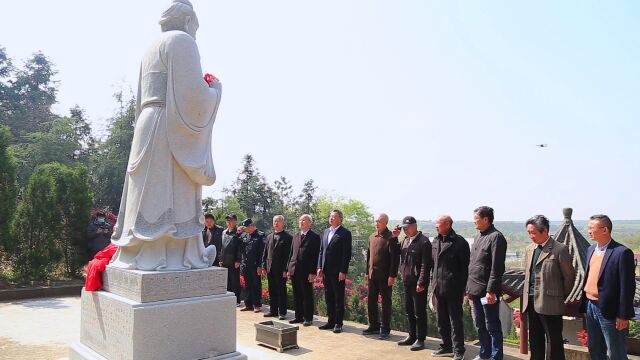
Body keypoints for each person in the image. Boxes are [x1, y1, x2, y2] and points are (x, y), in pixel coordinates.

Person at [109, 0, 222, 270]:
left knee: (148, 192)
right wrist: (215, 92)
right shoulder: (182, 41)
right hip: (168, 124)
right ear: (187, 21)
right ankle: (175, 257)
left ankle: (140, 252)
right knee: (171, 192)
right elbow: (192, 95)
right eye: (195, 25)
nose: (195, 31)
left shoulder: (151, 47)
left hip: (146, 123)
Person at [580, 214, 635, 360]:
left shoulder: (622, 252)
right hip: (591, 306)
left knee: (615, 352)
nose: (589, 231)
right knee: (595, 348)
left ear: (605, 230)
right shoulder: (591, 249)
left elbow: (627, 287)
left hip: (610, 310)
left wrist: (623, 315)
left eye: (592, 228)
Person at [522, 215, 576, 360]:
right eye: (528, 232)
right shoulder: (529, 249)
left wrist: (558, 295)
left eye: (533, 232)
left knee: (553, 340)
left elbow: (569, 277)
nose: (530, 236)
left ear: (544, 231)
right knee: (535, 338)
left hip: (551, 302)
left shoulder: (559, 249)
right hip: (531, 300)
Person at [467, 206, 507, 360]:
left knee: (492, 325)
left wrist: (491, 290)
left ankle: (496, 356)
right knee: (480, 324)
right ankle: (484, 352)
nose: (474, 222)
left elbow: (497, 268)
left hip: (487, 291)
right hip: (474, 289)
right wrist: (468, 288)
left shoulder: (496, 237)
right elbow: (472, 265)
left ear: (486, 219)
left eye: (476, 219)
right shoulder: (478, 237)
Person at [431, 215, 470, 360]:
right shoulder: (435, 241)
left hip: (453, 288)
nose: (436, 226)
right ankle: (446, 346)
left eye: (438, 224)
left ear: (447, 224)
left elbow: (466, 268)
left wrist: (464, 287)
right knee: (441, 320)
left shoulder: (459, 242)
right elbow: (433, 264)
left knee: (455, 321)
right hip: (438, 288)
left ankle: (458, 350)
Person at [397, 216, 432, 351]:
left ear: (414, 226)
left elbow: (425, 264)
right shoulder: (405, 240)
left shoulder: (424, 242)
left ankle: (420, 338)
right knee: (409, 311)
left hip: (418, 283)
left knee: (419, 312)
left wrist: (422, 281)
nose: (405, 230)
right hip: (407, 280)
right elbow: (394, 251)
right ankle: (411, 336)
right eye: (404, 228)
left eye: (407, 227)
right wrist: (394, 237)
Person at [362, 213, 400, 339]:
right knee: (371, 302)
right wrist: (367, 272)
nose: (376, 223)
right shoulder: (372, 236)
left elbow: (395, 258)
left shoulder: (391, 237)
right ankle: (374, 325)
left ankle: (385, 328)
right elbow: (368, 256)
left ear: (386, 223)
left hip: (385, 277)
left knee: (386, 303)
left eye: (379, 221)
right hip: (372, 276)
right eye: (376, 221)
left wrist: (392, 275)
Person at [317, 209, 353, 333]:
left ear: (340, 219)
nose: (331, 218)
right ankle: (330, 321)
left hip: (338, 272)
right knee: (329, 297)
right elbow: (321, 251)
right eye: (330, 217)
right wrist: (319, 267)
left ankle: (338, 323)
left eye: (334, 217)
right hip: (326, 271)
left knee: (338, 298)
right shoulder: (325, 232)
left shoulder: (345, 233)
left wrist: (343, 271)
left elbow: (346, 254)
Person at [287, 214, 321, 326]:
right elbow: (291, 253)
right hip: (294, 269)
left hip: (306, 271)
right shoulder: (296, 236)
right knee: (297, 294)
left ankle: (308, 318)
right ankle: (298, 316)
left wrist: (312, 272)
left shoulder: (315, 237)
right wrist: (288, 268)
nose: (301, 222)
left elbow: (315, 256)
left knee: (307, 294)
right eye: (300, 220)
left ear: (310, 223)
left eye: (304, 220)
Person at [260, 215, 293, 320]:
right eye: (274, 221)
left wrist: (285, 269)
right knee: (272, 290)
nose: (276, 223)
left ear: (283, 223)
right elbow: (265, 253)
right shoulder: (269, 236)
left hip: (281, 269)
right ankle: (273, 311)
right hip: (270, 268)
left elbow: (289, 255)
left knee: (281, 291)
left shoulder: (288, 237)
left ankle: (282, 312)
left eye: (278, 221)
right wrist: (263, 266)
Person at [239, 218, 265, 313]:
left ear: (251, 226)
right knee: (247, 285)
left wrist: (260, 266)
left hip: (255, 265)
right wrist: (239, 233)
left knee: (256, 284)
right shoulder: (244, 235)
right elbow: (239, 246)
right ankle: (248, 304)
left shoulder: (260, 235)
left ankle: (257, 305)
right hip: (246, 264)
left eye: (246, 227)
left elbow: (262, 252)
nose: (245, 229)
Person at [220, 214, 242, 306]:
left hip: (234, 261)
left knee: (235, 281)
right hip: (224, 260)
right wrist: (220, 258)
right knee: (227, 280)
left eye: (231, 220)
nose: (229, 222)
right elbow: (222, 247)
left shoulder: (238, 233)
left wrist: (238, 260)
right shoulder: (224, 232)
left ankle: (237, 300)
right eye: (228, 220)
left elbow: (240, 248)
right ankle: (228, 298)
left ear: (235, 221)